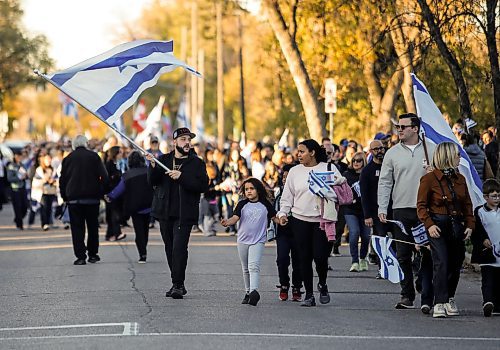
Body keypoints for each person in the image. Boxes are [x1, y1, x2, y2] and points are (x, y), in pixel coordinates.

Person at [378, 113, 435, 309]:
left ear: (415, 128)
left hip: (425, 210)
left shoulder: (431, 150)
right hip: (401, 209)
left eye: (403, 127)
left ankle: (425, 286)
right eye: (398, 127)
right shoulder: (392, 153)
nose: (399, 130)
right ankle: (407, 294)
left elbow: (443, 177)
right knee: (402, 254)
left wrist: (433, 173)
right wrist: (382, 207)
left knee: (426, 252)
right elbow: (385, 182)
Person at [278, 139, 342, 307]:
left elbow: (341, 192)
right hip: (299, 219)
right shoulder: (294, 171)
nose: (298, 154)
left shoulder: (328, 168)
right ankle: (309, 294)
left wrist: (325, 190)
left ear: (312, 152)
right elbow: (287, 197)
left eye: (302, 151)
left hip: (322, 220)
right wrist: (283, 213)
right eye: (298, 151)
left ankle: (322, 282)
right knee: (303, 258)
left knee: (320, 257)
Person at [147, 127, 209, 299]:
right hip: (164, 211)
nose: (187, 142)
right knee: (170, 248)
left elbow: (203, 186)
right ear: (174, 142)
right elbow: (152, 181)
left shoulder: (196, 163)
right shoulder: (163, 159)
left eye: (189, 139)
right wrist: (152, 165)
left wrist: (181, 177)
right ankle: (176, 281)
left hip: (185, 213)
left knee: (179, 248)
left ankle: (178, 284)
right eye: (183, 139)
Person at [417, 142, 474, 318]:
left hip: (457, 225)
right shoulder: (429, 179)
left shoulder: (460, 179)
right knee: (440, 262)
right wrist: (429, 224)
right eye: (457, 155)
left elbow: (467, 205)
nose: (459, 158)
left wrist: (470, 225)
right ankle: (439, 302)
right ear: (448, 156)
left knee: (455, 263)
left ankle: (449, 297)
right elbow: (421, 206)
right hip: (437, 226)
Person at [222, 178, 277, 306]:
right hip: (242, 240)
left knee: (254, 266)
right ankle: (247, 292)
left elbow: (274, 218)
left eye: (252, 189)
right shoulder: (242, 204)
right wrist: (226, 223)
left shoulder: (265, 204)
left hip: (258, 240)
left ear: (258, 190)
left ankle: (254, 292)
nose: (249, 191)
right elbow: (235, 218)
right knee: (245, 268)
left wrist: (282, 221)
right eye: (246, 189)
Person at [60, 135, 109, 265]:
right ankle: (93, 254)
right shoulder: (94, 157)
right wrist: (102, 192)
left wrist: (64, 196)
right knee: (93, 227)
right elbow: (104, 177)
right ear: (86, 144)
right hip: (92, 198)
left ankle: (80, 256)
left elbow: (62, 180)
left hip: (74, 199)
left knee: (77, 229)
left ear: (74, 145)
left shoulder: (67, 159)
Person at [106, 151, 153, 263]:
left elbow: (119, 190)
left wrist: (110, 196)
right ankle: (144, 248)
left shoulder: (127, 175)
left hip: (135, 207)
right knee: (145, 229)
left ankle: (142, 253)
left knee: (139, 231)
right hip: (148, 205)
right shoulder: (148, 172)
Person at [360, 140, 392, 277]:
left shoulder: (390, 167)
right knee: (381, 241)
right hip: (376, 213)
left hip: (393, 210)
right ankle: (382, 268)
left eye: (381, 148)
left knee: (397, 241)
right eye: (376, 149)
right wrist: (367, 215)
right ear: (371, 152)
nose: (379, 151)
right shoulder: (367, 171)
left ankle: (396, 266)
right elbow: (364, 195)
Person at [471, 179, 500, 317]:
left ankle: (497, 304)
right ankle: (488, 301)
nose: (497, 198)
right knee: (488, 278)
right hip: (487, 252)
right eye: (493, 196)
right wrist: (483, 239)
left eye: (498, 195)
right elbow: (476, 230)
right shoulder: (480, 212)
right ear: (485, 197)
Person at [273, 163, 302, 302]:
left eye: (288, 176)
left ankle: (297, 287)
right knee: (282, 259)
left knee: (299, 261)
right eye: (283, 176)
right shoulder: (278, 192)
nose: (285, 179)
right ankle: (284, 284)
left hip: (299, 229)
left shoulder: (302, 191)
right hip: (283, 231)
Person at [343, 151, 371, 272]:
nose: (355, 163)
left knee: (365, 236)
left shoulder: (368, 174)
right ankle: (354, 261)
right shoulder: (346, 175)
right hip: (350, 209)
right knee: (354, 233)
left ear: (363, 162)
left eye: (359, 160)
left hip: (366, 211)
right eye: (353, 160)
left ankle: (363, 258)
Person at [31, 154, 59, 231]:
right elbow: (36, 181)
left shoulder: (53, 169)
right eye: (47, 159)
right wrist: (44, 180)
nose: (49, 161)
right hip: (42, 192)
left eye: (50, 159)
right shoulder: (39, 170)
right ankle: (44, 223)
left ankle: (49, 222)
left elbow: (57, 179)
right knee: (44, 208)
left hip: (51, 191)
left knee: (49, 208)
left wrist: (53, 181)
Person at [104, 146, 126, 241]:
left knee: (115, 213)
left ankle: (109, 234)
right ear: (115, 154)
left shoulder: (121, 163)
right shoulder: (108, 165)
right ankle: (117, 233)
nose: (122, 154)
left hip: (119, 193)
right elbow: (105, 179)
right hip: (111, 193)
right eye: (120, 152)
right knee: (114, 214)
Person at [7, 151, 29, 230]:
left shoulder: (22, 165)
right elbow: (9, 178)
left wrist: (26, 176)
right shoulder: (11, 166)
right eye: (18, 156)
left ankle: (17, 219)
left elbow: (26, 175)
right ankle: (19, 224)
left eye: (21, 157)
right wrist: (19, 178)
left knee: (25, 206)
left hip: (22, 187)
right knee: (17, 207)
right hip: (15, 189)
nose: (19, 158)